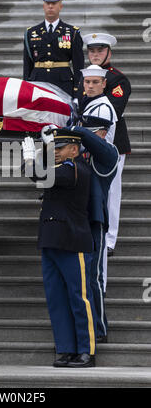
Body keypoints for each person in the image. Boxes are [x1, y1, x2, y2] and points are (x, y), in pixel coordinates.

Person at [22, 129, 96, 368]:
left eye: (60, 148)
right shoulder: (60, 169)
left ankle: (86, 350)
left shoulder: (75, 169)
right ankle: (65, 348)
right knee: (57, 299)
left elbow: (40, 175)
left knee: (79, 298)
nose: (55, 151)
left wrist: (30, 159)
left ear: (74, 150)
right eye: (54, 147)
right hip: (51, 240)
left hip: (73, 241)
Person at [80, 33, 132, 257]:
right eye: (91, 51)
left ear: (109, 52)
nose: (95, 55)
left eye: (100, 51)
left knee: (111, 192)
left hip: (112, 143)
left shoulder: (117, 80)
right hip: (85, 144)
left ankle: (109, 239)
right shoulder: (85, 76)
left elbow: (112, 111)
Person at [72, 115, 119, 344]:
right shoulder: (78, 156)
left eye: (92, 132)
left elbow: (91, 141)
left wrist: (76, 130)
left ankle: (99, 328)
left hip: (94, 221)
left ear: (101, 133)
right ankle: (82, 325)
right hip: (74, 220)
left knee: (94, 278)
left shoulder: (109, 153)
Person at [23, 0, 84, 97]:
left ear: (61, 6)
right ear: (43, 6)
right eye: (47, 3)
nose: (50, 6)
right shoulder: (31, 32)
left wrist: (77, 91)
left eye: (54, 3)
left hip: (63, 83)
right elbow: (27, 65)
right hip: (38, 82)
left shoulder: (72, 32)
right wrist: (26, 87)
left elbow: (78, 65)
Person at [78, 65, 117, 144]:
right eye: (87, 81)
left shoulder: (102, 108)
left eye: (95, 82)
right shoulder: (89, 102)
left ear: (104, 83)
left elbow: (93, 142)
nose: (90, 86)